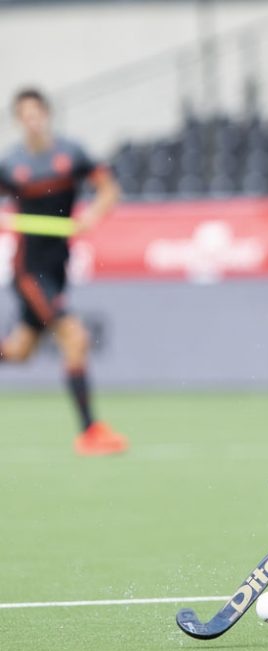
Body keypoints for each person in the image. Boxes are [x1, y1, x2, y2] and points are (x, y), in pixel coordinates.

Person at [0, 89, 127, 455]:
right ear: (18, 121)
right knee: (75, 337)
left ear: (47, 115)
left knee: (19, 351)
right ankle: (89, 433)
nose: (32, 120)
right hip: (28, 270)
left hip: (57, 268)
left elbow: (108, 189)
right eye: (24, 114)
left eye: (36, 112)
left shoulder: (71, 154)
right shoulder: (11, 164)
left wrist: (92, 214)